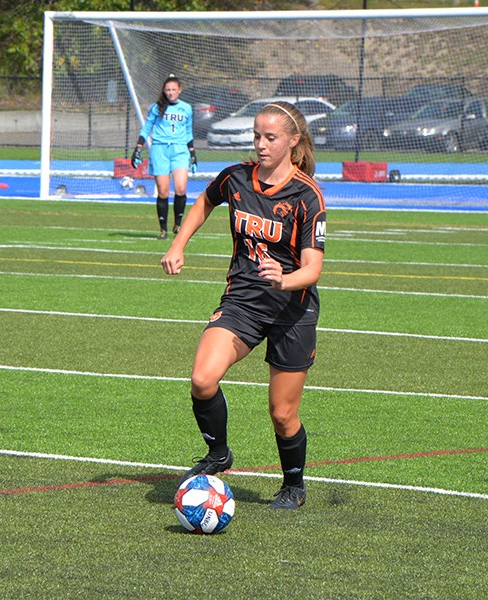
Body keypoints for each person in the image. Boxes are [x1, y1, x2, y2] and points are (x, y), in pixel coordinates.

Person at [160, 101, 326, 510]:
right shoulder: (236, 177)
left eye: (270, 137)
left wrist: (283, 279)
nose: (261, 144)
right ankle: (218, 453)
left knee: (282, 413)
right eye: (257, 136)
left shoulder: (307, 195)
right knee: (202, 379)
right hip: (243, 302)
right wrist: (179, 244)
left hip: (292, 311)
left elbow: (313, 269)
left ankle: (293, 485)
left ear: (293, 141)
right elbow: (203, 202)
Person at [131, 75, 197, 240]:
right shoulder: (157, 107)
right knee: (163, 191)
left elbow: (188, 132)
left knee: (181, 188)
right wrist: (138, 147)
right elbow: (147, 128)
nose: (170, 93)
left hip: (180, 150)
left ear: (179, 90)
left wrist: (193, 153)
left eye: (174, 89)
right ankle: (163, 229)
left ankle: (178, 224)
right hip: (160, 149)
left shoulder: (186, 108)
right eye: (167, 90)